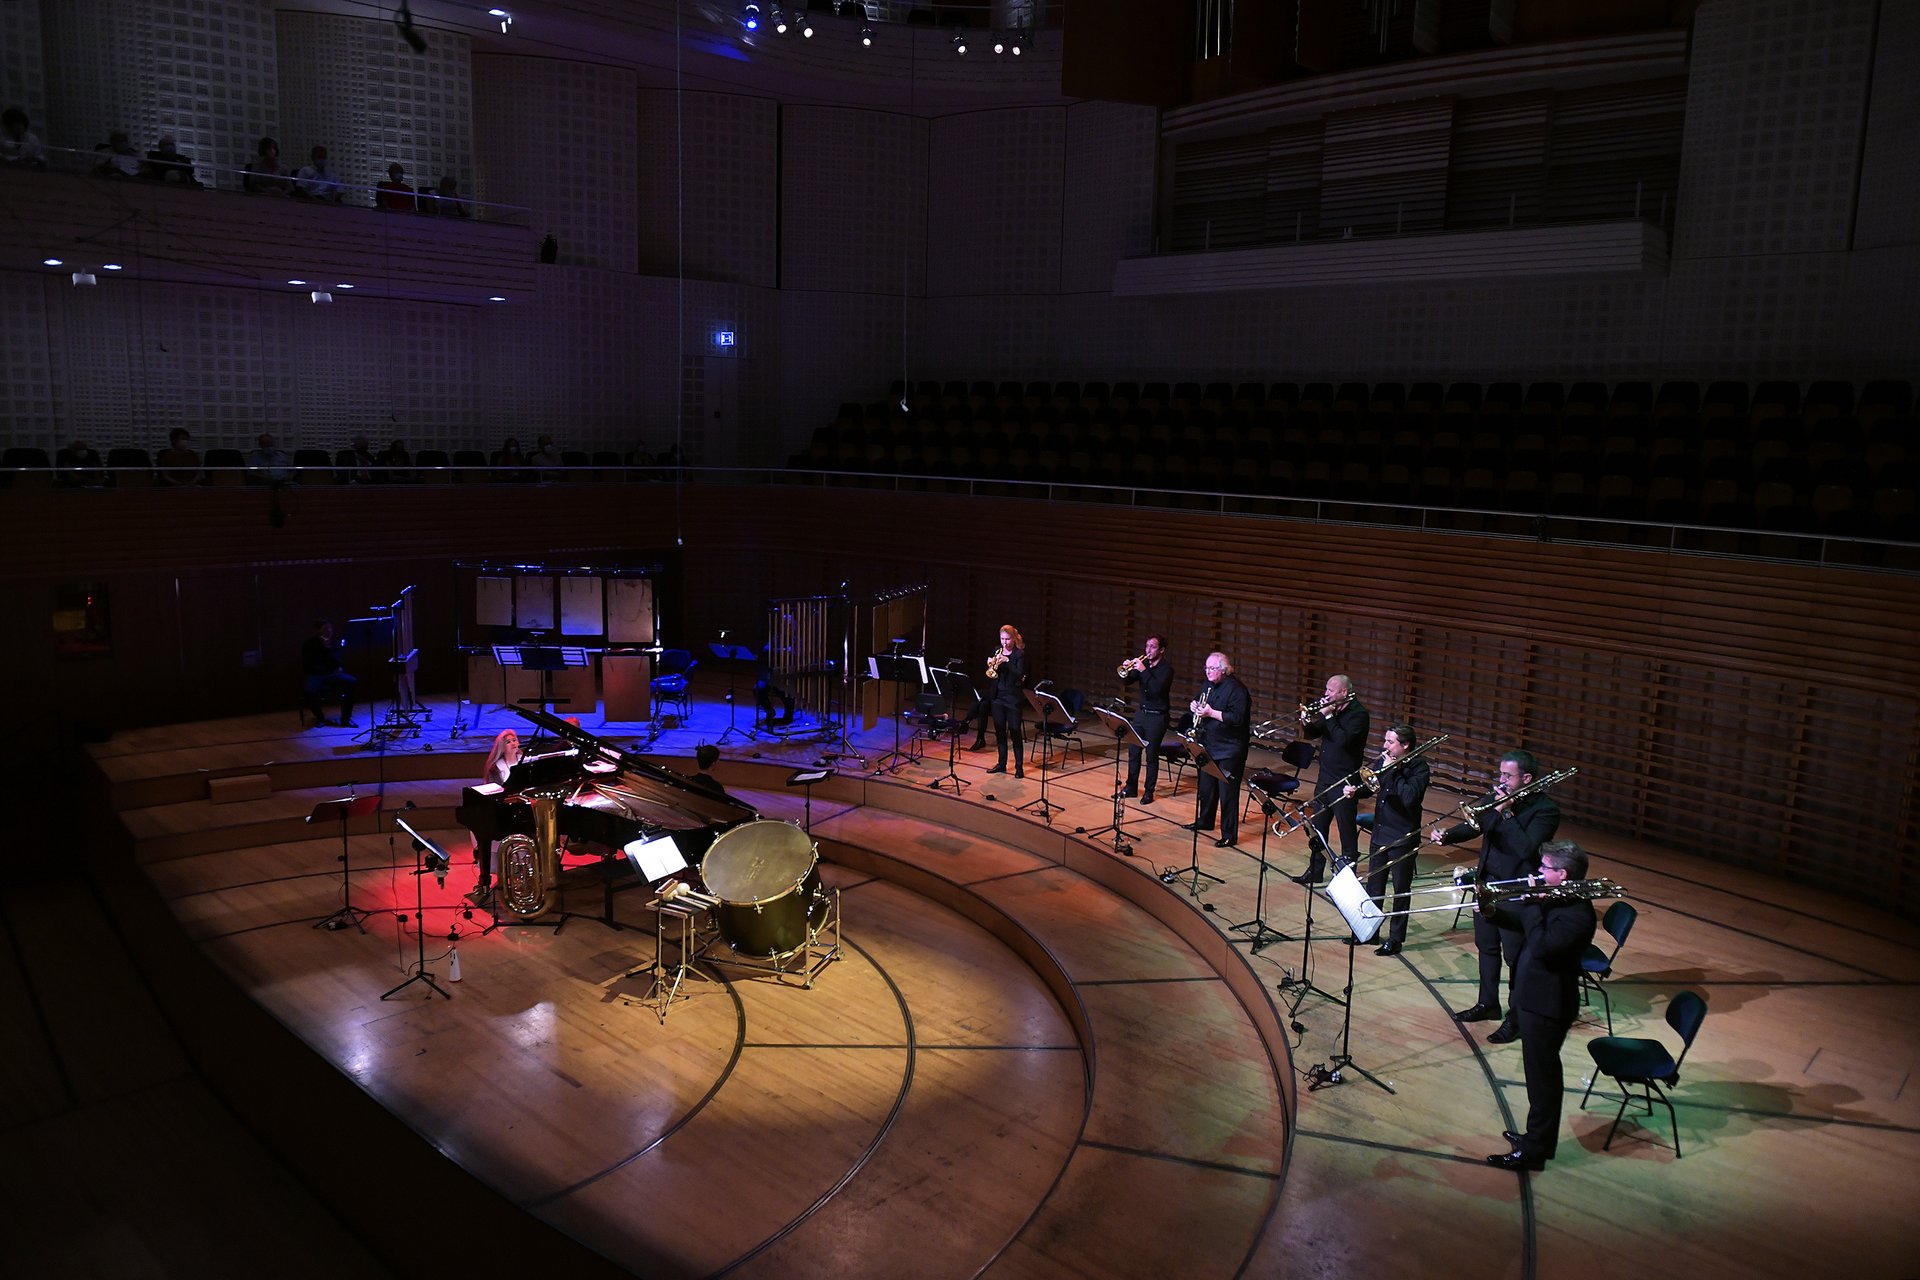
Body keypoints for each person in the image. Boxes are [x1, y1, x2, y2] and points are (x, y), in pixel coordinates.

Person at [1431, 748, 1562, 1040]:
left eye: (1507, 775)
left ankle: (1516, 1018)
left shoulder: (1545, 810)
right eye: (1500, 773)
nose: (1500, 780)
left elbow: (1527, 848)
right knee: (1487, 948)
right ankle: (1487, 1003)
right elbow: (1476, 825)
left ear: (1526, 778)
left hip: (1515, 891)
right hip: (1486, 884)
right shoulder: (1499, 799)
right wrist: (1448, 836)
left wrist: (1507, 812)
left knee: (1515, 958)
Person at [1482, 840, 1598, 1172]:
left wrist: (1532, 903)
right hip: (1534, 998)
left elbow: (1544, 945)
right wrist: (1494, 913)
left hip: (1548, 1004)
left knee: (1542, 1080)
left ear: (1562, 874)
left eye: (1544, 868)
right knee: (1537, 1077)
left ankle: (1534, 1152)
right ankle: (1535, 1138)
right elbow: (1526, 928)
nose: (1537, 873)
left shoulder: (1578, 913)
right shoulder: (1561, 898)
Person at [1346, 723, 1430, 955]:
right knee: (1375, 886)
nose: (1385, 746)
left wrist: (1392, 769)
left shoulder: (1419, 768)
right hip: (1380, 831)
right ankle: (1370, 932)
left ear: (1405, 745)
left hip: (1402, 836)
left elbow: (1409, 798)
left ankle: (1395, 939)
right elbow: (1373, 786)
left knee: (1401, 891)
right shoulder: (1384, 760)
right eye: (1385, 740)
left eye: (1390, 742)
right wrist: (1356, 791)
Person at [1294, 673, 1370, 885]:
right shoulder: (1333, 710)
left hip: (1345, 782)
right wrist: (1306, 722)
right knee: (1318, 829)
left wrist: (1328, 716)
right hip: (1324, 780)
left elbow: (1343, 741)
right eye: (1326, 689)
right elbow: (1313, 733)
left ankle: (1348, 878)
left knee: (1346, 832)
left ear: (1344, 692)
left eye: (1330, 691)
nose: (1325, 694)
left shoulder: (1359, 715)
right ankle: (1315, 870)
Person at [1185, 651, 1251, 847]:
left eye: (1212, 668)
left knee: (1227, 794)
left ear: (1224, 669)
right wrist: (1194, 705)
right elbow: (1200, 701)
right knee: (1206, 788)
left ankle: (1229, 834)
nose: (1208, 672)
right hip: (1209, 744)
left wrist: (1211, 712)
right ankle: (1205, 821)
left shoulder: (1238, 690)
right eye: (1206, 668)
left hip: (1230, 748)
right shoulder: (1208, 684)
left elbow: (1237, 719)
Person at [470, 729, 524, 903]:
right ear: (502, 747)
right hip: (505, 811)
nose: (513, 743)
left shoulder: (526, 762)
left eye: (514, 740)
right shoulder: (496, 768)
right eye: (508, 742)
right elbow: (498, 795)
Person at [1118, 635, 1173, 803]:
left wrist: (1143, 671)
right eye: (1147, 646)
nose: (1148, 650)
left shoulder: (1167, 669)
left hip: (1157, 717)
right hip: (1141, 714)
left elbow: (1157, 690)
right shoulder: (1144, 665)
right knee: (1134, 751)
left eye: (1153, 647)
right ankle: (1131, 787)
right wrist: (1127, 668)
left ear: (1162, 650)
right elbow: (1127, 681)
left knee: (1151, 756)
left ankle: (1149, 791)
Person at [982, 624, 1027, 778]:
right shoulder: (996, 650)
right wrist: (990, 662)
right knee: (999, 732)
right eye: (1002, 639)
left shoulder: (1018, 655)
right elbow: (992, 671)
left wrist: (1007, 661)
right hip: (997, 698)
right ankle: (1002, 764)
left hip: (1013, 698)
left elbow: (1019, 674)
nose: (1004, 642)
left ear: (1013, 639)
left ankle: (1019, 767)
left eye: (1007, 639)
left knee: (1015, 733)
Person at [301, 620, 357, 727]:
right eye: (326, 628)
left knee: (352, 682)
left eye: (330, 628)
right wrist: (323, 648)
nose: (329, 631)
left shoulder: (334, 643)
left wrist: (328, 649)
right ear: (318, 630)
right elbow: (310, 663)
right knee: (309, 690)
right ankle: (320, 717)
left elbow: (337, 663)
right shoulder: (309, 644)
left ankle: (345, 719)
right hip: (314, 675)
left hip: (331, 674)